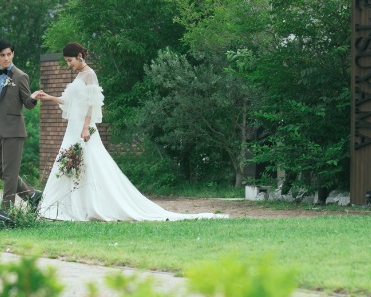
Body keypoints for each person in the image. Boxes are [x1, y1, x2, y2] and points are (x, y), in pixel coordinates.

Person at [35, 42, 228, 221]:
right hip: (73, 128)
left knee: (90, 164)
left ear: (79, 56)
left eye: (70, 60)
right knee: (69, 163)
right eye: (67, 61)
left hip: (83, 128)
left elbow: (92, 104)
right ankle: (64, 206)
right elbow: (70, 102)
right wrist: (48, 97)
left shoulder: (89, 74)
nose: (68, 65)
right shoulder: (78, 76)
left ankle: (90, 206)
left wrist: (86, 128)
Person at [0, 39, 42, 213]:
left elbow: (27, 102)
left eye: (9, 54)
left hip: (14, 130)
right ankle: (32, 196)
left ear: (13, 54)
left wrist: (33, 98)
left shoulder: (20, 76)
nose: (6, 58)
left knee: (10, 173)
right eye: (2, 55)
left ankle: (6, 211)